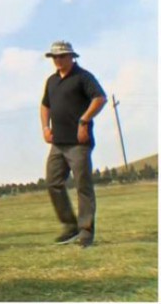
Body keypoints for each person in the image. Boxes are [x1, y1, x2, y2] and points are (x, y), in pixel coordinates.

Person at [40, 41, 107, 248]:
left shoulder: (83, 76)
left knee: (82, 186)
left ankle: (85, 232)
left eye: (61, 56)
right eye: (54, 57)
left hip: (79, 143)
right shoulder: (51, 81)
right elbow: (45, 105)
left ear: (72, 56)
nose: (57, 60)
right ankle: (70, 227)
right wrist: (45, 127)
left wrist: (84, 120)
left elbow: (100, 98)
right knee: (53, 182)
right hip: (58, 143)